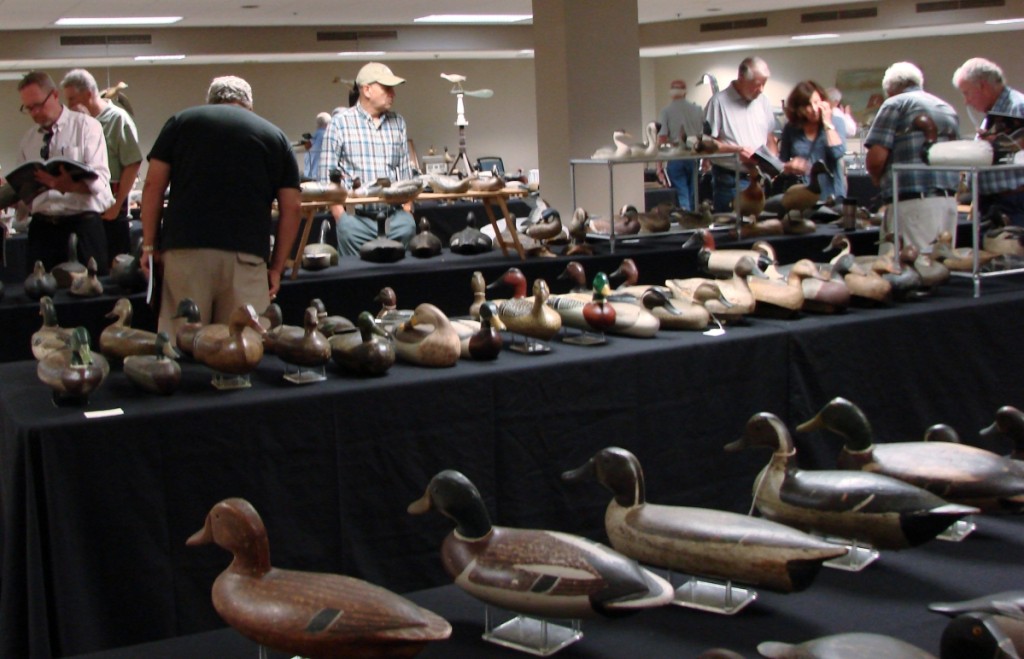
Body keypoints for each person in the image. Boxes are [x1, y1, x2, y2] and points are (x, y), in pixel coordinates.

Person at [140, 75, 301, 335]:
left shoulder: (180, 123)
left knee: (183, 346)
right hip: (246, 257)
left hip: (185, 253)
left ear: (211, 101)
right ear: (249, 105)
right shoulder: (275, 136)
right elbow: (292, 207)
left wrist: (148, 245)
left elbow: (152, 186)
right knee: (241, 349)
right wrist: (276, 268)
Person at [3, 71, 114, 274]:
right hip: (42, 230)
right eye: (28, 109)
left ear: (54, 95)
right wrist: (12, 193)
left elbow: (101, 182)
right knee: (39, 296)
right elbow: (25, 194)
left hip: (81, 227)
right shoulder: (29, 140)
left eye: (38, 105)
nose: (35, 113)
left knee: (89, 297)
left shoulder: (86, 127)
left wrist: (69, 186)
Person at [318, 62, 416, 255]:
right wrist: (341, 218)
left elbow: (407, 179)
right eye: (387, 88)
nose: (393, 94)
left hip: (397, 221)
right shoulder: (340, 123)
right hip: (355, 223)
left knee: (403, 279)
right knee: (358, 281)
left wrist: (407, 211)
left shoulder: (398, 123)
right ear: (367, 90)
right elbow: (326, 180)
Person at [864, 61, 960, 253]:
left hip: (914, 205)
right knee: (940, 269)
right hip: (948, 203)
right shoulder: (947, 108)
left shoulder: (895, 103)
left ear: (890, 90)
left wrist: (876, 178)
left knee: (911, 270)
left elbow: (876, 158)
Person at [61, 68, 143, 264]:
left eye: (72, 99)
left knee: (113, 264)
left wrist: (117, 204)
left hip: (111, 203)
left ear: (89, 94)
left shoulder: (117, 119)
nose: (69, 106)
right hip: (83, 206)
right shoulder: (78, 123)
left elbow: (132, 163)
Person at [952, 57, 1024, 227]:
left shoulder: (1017, 106)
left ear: (982, 86)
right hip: (992, 202)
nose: (966, 101)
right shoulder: (992, 115)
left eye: (966, 92)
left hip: (1012, 202)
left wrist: (997, 145)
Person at [703, 56, 779, 212]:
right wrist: (737, 150)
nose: (761, 90)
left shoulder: (763, 101)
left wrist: (773, 163)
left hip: (758, 179)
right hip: (730, 180)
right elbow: (706, 144)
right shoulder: (718, 102)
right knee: (731, 230)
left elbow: (770, 138)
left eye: (764, 84)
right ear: (741, 78)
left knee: (756, 228)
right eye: (757, 85)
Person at [779, 80, 848, 202]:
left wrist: (827, 123)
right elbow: (781, 163)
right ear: (798, 108)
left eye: (817, 102)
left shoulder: (836, 122)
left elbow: (837, 152)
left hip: (831, 195)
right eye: (808, 106)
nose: (814, 109)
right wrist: (789, 166)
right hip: (802, 195)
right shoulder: (791, 128)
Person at [656, 79, 705, 211]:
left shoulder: (666, 112)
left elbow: (662, 137)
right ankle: (695, 220)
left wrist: (659, 165)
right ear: (685, 92)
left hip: (676, 155)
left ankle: (687, 220)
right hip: (694, 155)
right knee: (693, 193)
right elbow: (703, 136)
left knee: (682, 193)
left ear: (671, 93)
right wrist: (706, 159)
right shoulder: (697, 109)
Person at [303, 111, 331, 181]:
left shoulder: (315, 135)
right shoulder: (327, 135)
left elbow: (307, 147)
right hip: (321, 176)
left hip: (309, 175)